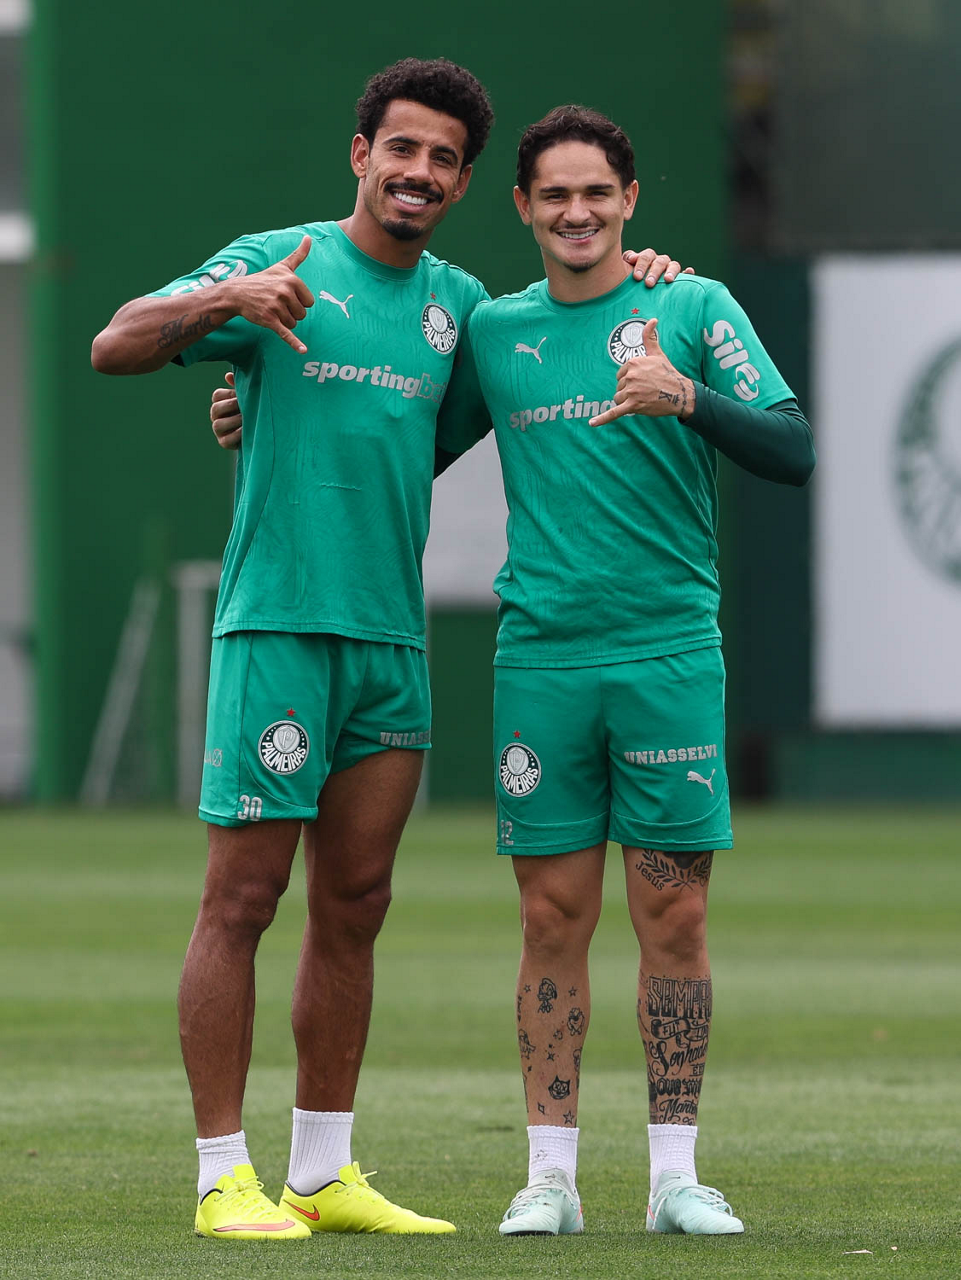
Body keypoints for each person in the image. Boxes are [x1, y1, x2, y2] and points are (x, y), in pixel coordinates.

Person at [92, 58, 683, 1243]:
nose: (418, 171)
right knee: (242, 898)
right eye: (401, 148)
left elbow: (500, 384)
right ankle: (221, 1175)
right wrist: (228, 302)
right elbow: (116, 343)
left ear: (464, 184)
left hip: (389, 646)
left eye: (442, 158)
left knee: (357, 902)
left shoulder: (460, 307)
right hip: (277, 629)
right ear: (360, 154)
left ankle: (321, 1171)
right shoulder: (280, 259)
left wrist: (648, 278)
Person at [457, 107, 813, 1237]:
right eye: (555, 195)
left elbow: (793, 447)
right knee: (549, 916)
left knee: (675, 914)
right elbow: (399, 436)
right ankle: (548, 1180)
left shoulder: (691, 308)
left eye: (596, 193)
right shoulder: (493, 331)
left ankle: (673, 1179)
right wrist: (251, 411)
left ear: (629, 200)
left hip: (666, 653)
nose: (577, 212)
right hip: (542, 661)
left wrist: (687, 396)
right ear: (523, 206)